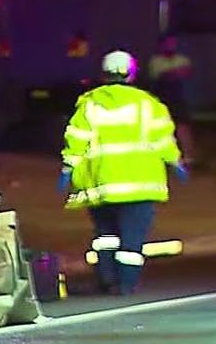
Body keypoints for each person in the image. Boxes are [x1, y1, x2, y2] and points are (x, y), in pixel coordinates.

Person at [58, 50, 187, 296]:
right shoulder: (147, 104)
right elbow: (161, 139)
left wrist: (68, 167)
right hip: (140, 184)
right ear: (131, 73)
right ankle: (126, 284)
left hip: (102, 183)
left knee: (105, 235)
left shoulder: (90, 103)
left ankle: (107, 279)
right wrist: (175, 162)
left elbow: (76, 138)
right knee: (132, 238)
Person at [148, 35, 195, 164]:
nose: (170, 46)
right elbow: (161, 76)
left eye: (172, 43)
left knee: (183, 127)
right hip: (162, 99)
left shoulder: (182, 59)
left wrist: (172, 73)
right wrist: (175, 73)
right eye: (167, 44)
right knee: (162, 127)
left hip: (179, 98)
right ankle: (164, 156)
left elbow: (187, 72)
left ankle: (188, 157)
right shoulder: (155, 61)